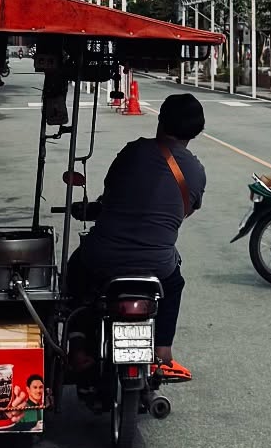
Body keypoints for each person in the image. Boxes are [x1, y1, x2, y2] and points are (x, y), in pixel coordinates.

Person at [68, 92, 207, 382]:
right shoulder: (195, 171)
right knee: (175, 283)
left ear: (161, 120)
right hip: (158, 263)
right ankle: (163, 352)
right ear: (197, 130)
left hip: (103, 256)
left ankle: (79, 346)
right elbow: (183, 213)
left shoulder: (133, 152)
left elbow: (111, 194)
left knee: (75, 271)